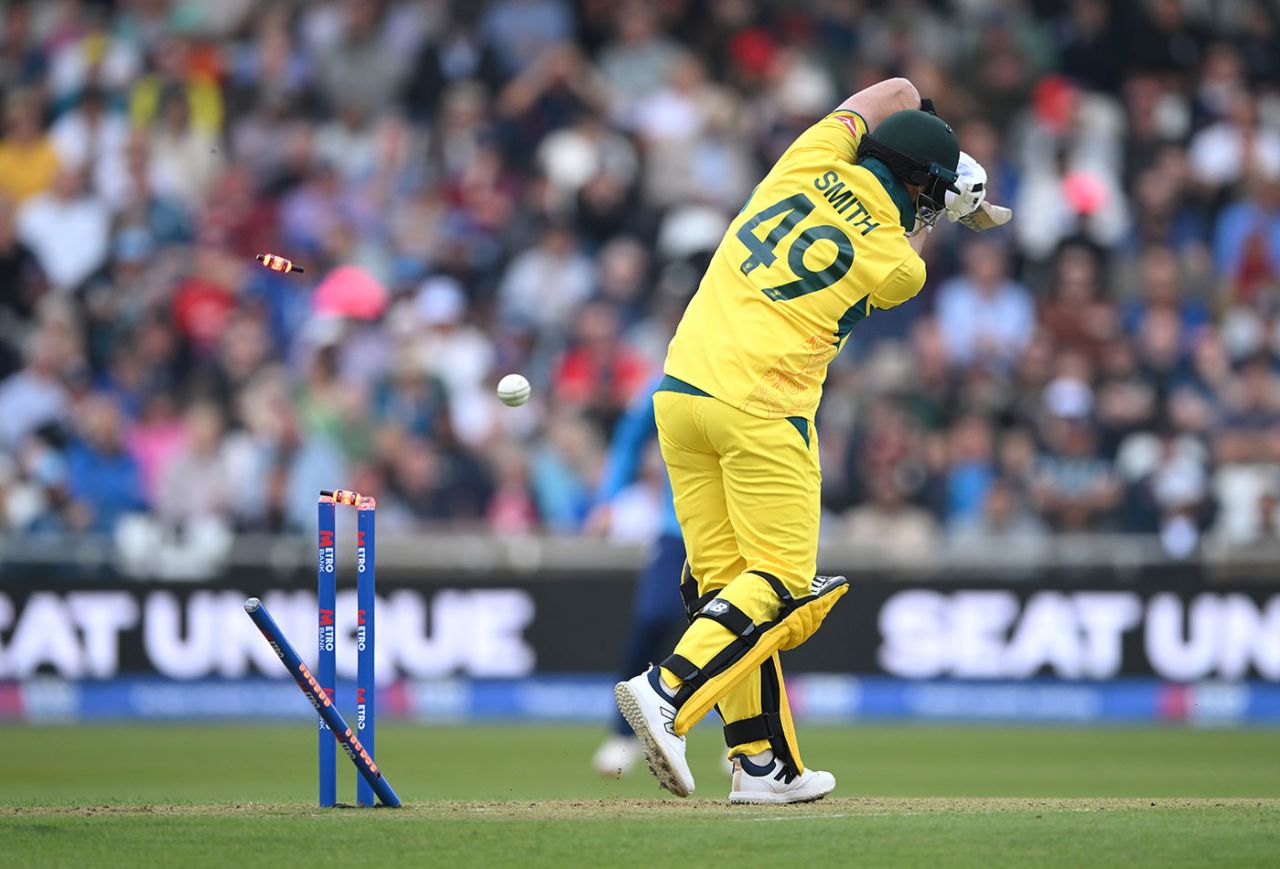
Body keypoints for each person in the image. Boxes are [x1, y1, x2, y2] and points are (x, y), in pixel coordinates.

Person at [614, 78, 993, 804]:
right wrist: (946, 184)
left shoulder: (807, 156)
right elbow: (907, 229)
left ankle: (761, 762)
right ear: (917, 187)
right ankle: (666, 690)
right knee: (783, 583)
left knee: (729, 591)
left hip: (682, 392)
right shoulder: (900, 265)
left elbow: (896, 90)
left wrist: (923, 115)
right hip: (760, 409)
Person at [588, 375, 687, 777]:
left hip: (742, 528)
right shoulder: (670, 379)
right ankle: (622, 735)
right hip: (678, 527)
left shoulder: (757, 367)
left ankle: (747, 741)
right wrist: (607, 500)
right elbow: (630, 441)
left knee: (745, 630)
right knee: (652, 620)